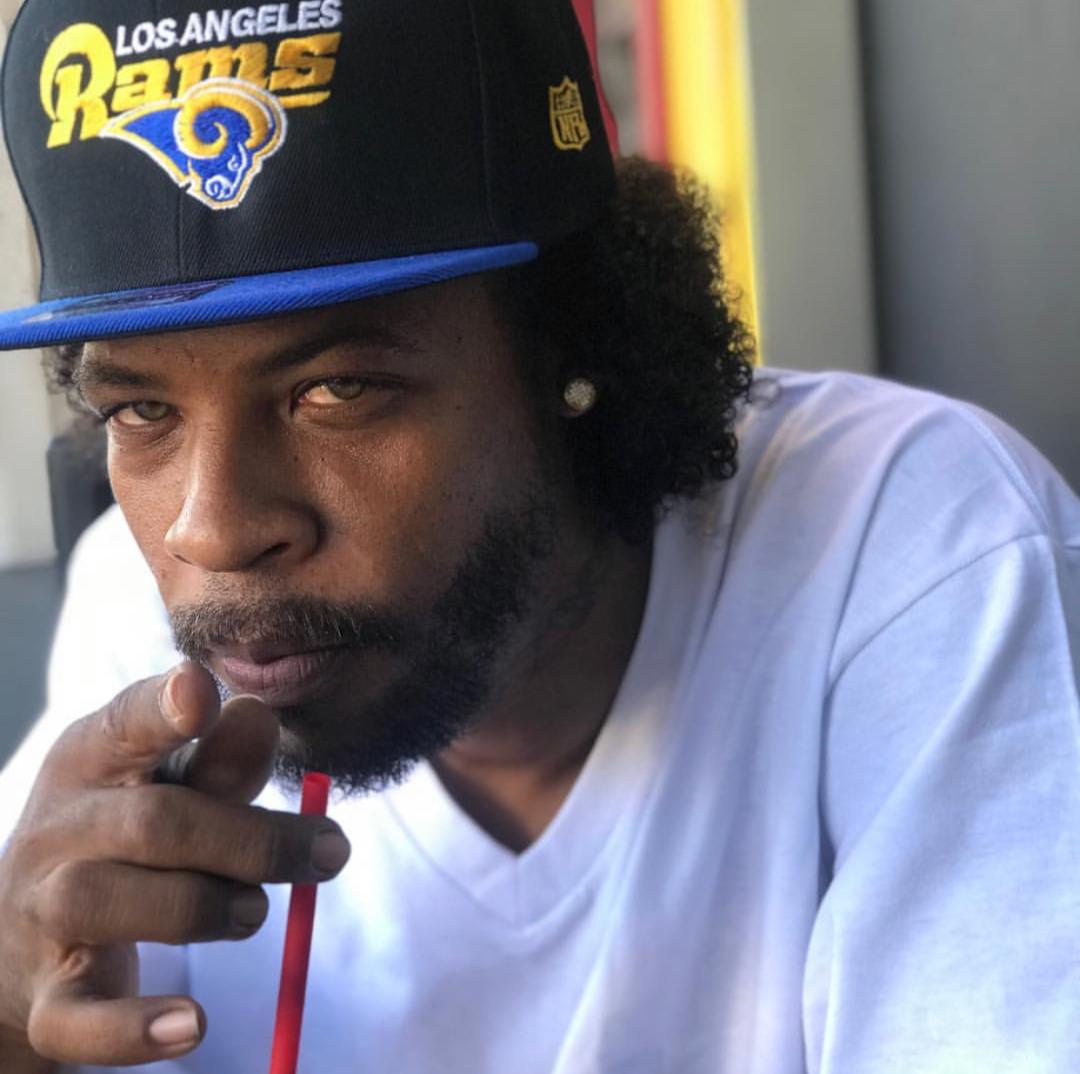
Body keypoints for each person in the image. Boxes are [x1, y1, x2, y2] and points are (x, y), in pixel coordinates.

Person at [0, 1, 1078, 1072]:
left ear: (575, 342)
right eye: (141, 410)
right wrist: (14, 1024)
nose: (213, 532)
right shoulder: (131, 617)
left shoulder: (909, 550)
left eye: (339, 389)